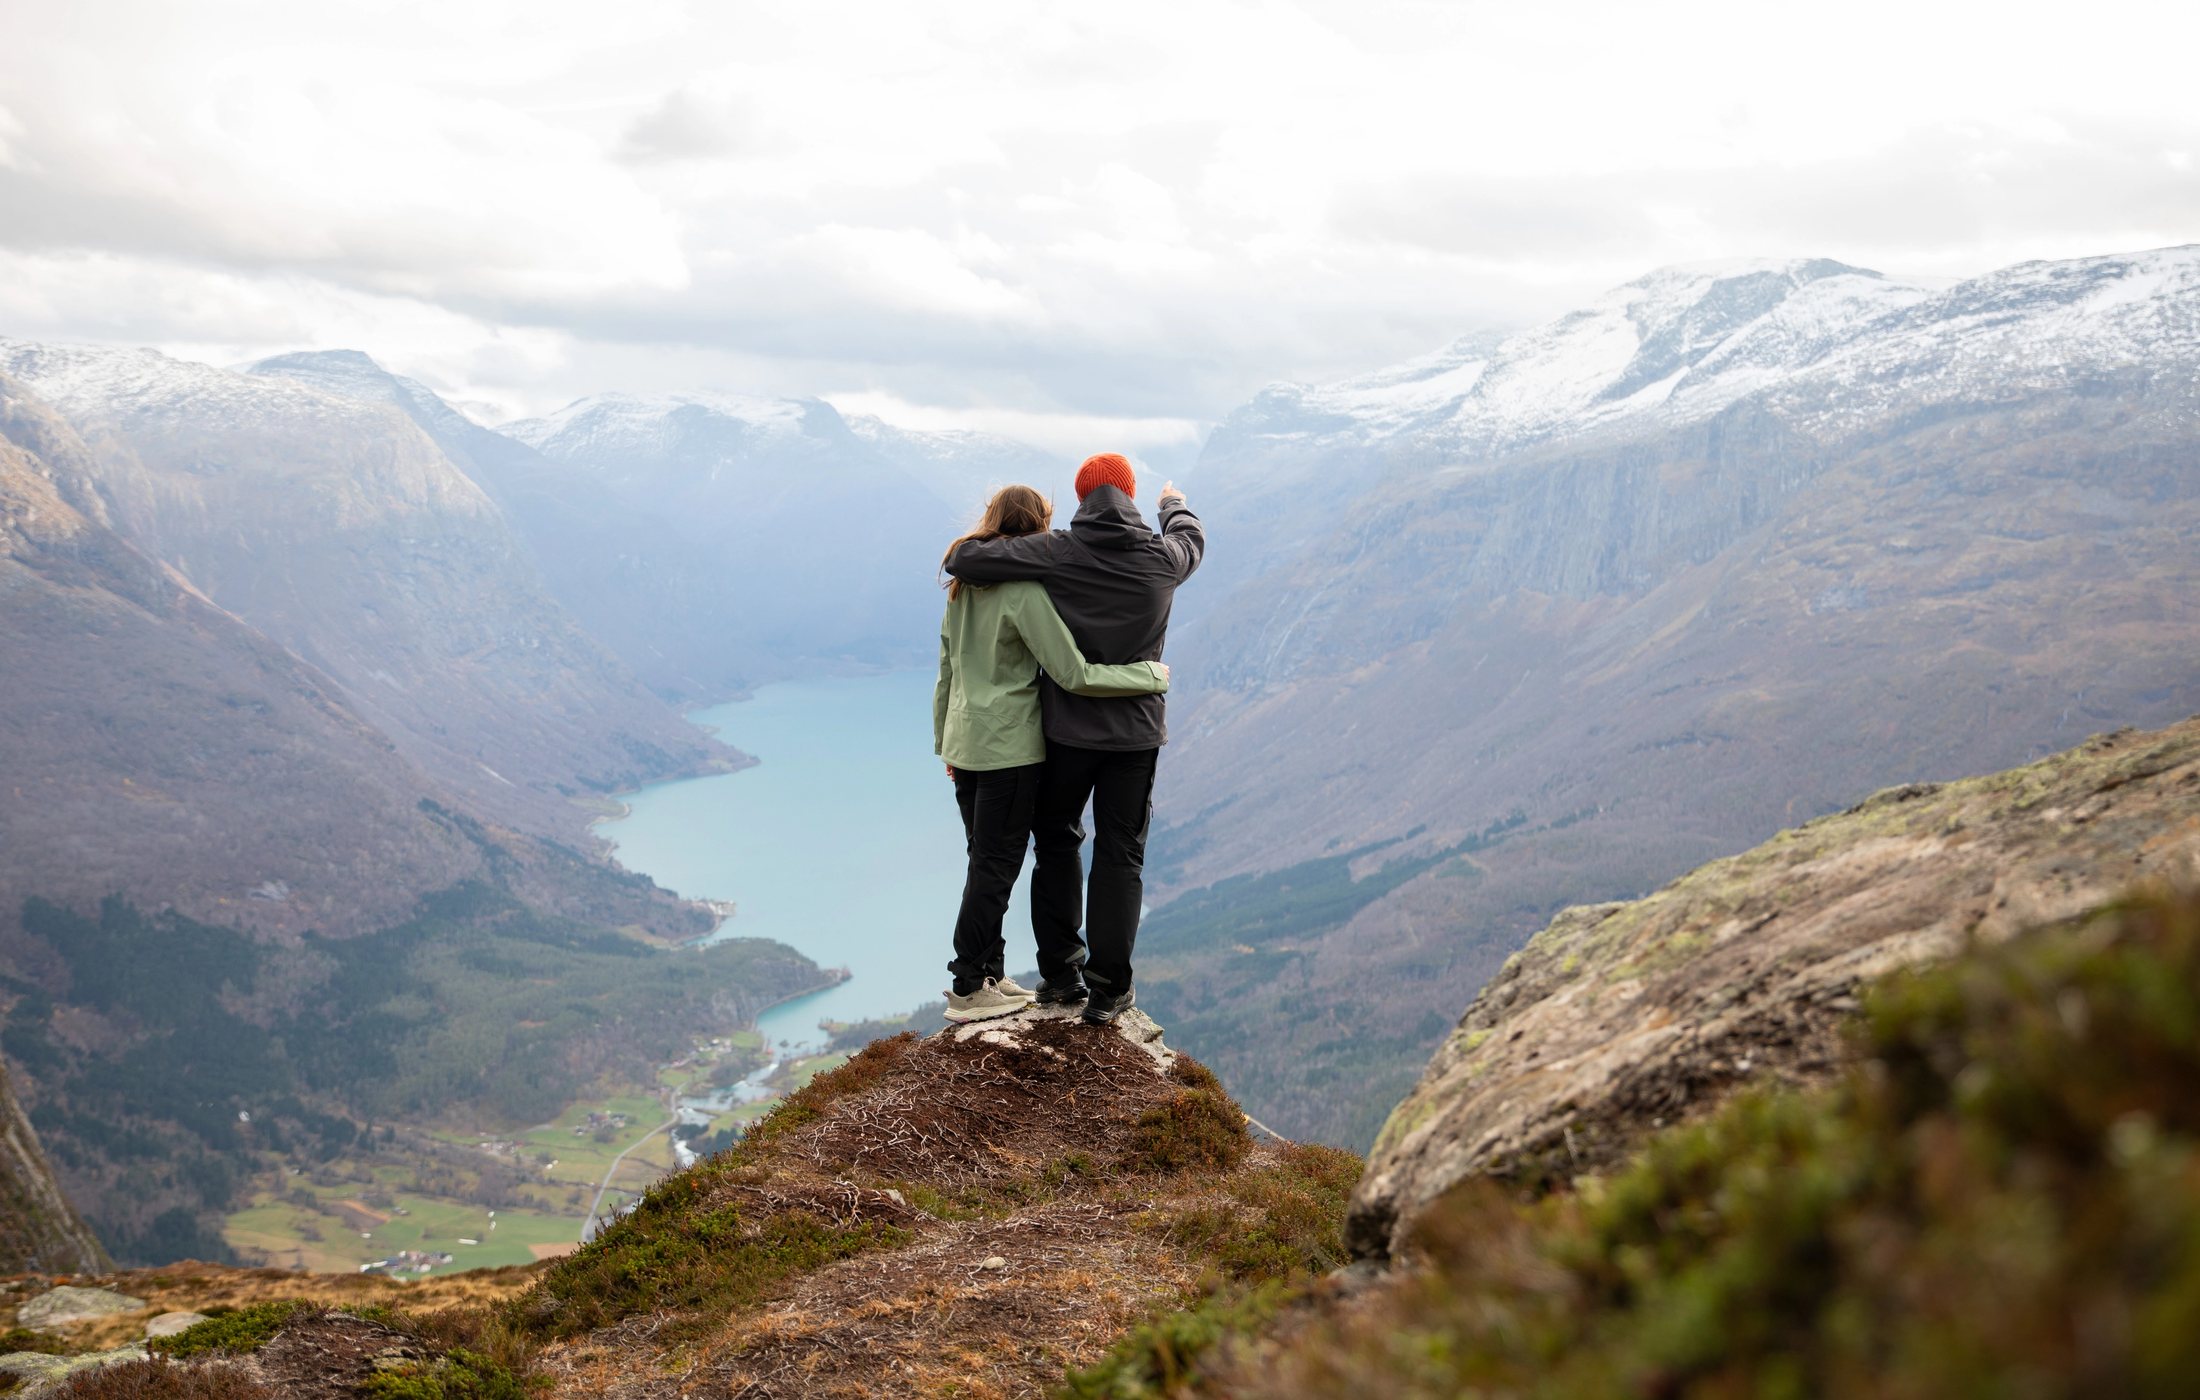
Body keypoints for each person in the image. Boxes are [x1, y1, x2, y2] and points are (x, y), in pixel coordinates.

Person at [943, 453, 1203, 1026]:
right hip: (1134, 737)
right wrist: (1173, 505)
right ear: (1130, 497)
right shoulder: (1165, 557)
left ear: (1083, 499)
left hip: (1064, 735)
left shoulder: (1057, 550)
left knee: (1057, 845)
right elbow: (1191, 537)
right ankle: (1109, 991)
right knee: (1121, 856)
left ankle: (1061, 978)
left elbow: (967, 557)